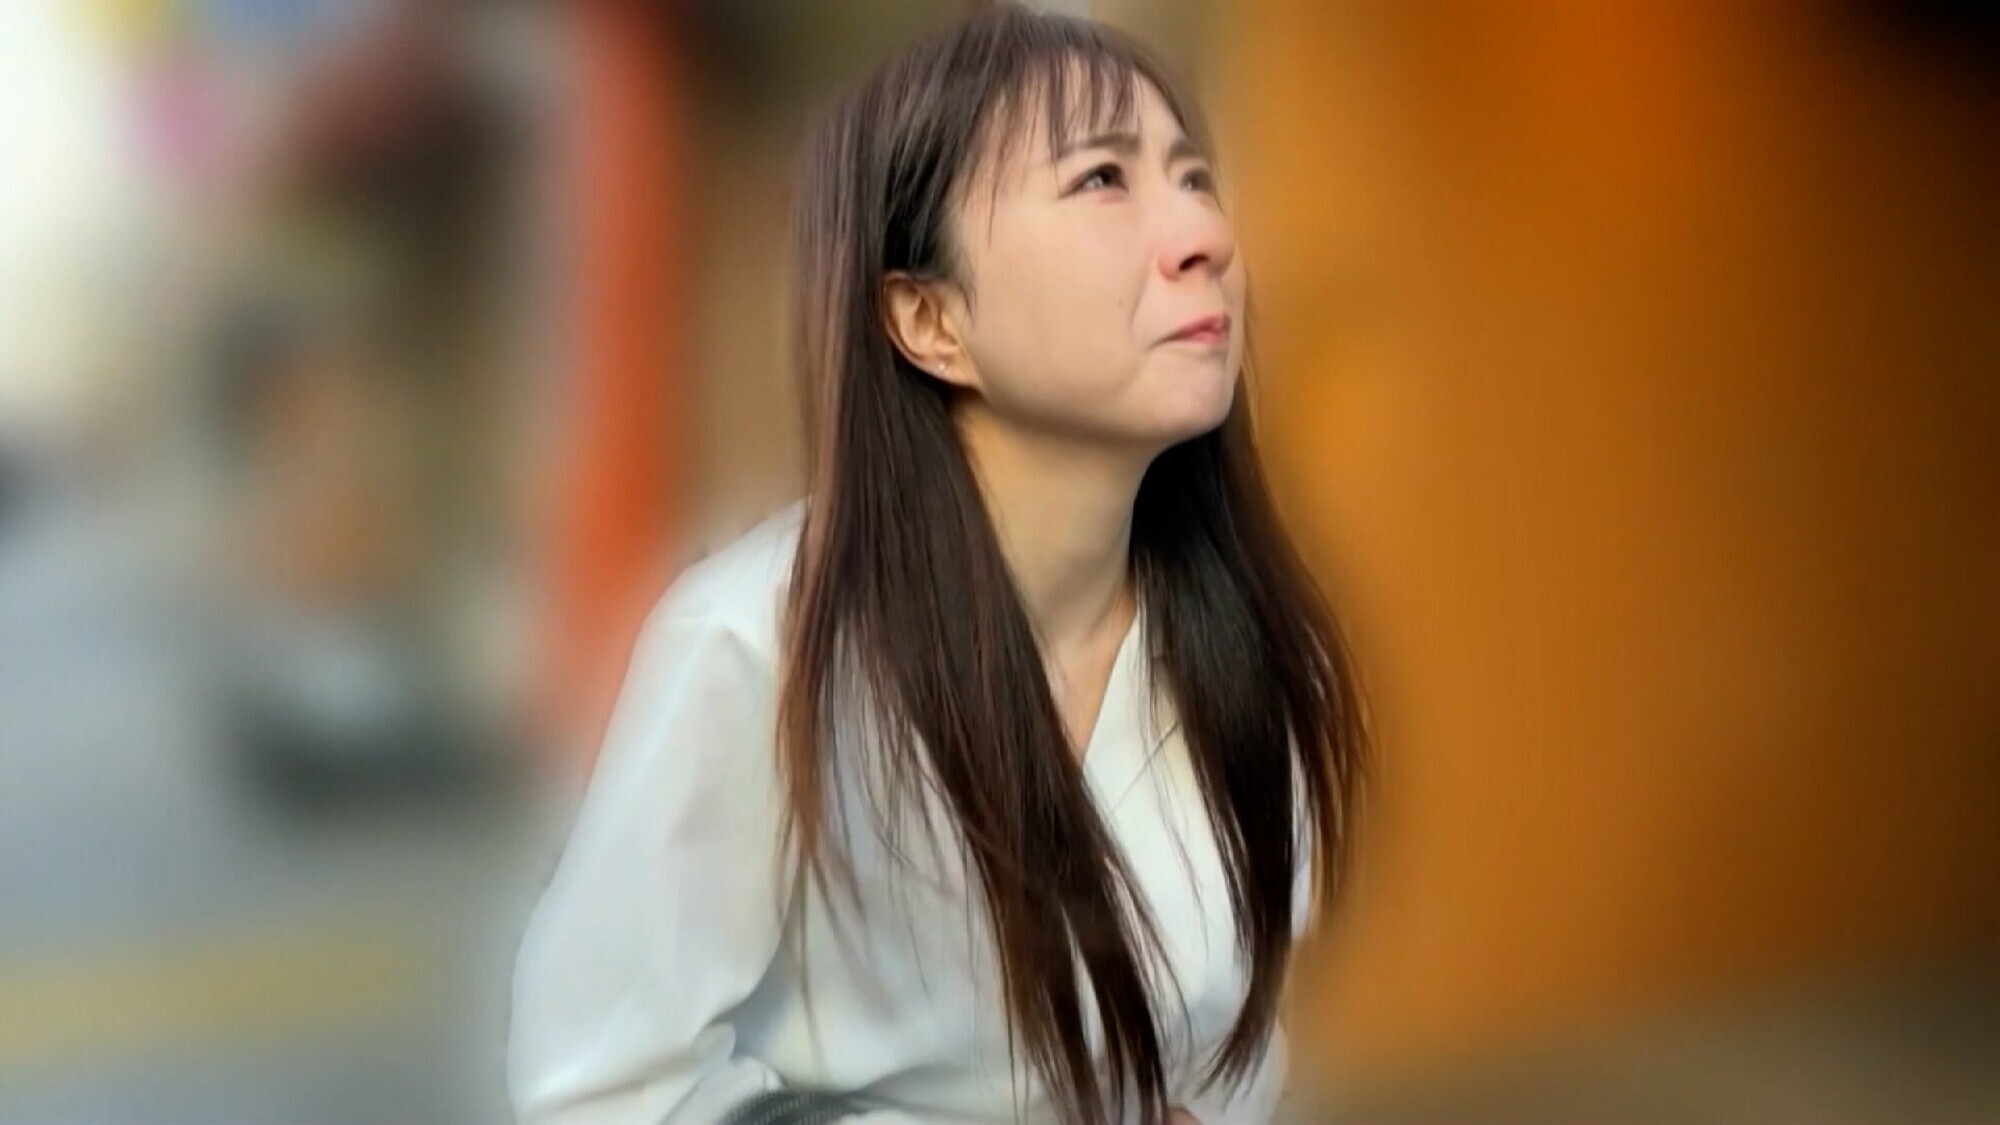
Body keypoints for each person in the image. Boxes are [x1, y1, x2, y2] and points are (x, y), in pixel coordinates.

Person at [507, 6, 1367, 1123]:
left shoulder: (1255, 651)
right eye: (1102, 179)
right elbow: (598, 1093)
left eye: (1193, 176)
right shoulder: (760, 648)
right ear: (928, 318)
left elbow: (1238, 1055)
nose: (1202, 234)